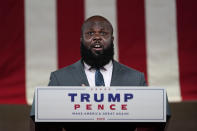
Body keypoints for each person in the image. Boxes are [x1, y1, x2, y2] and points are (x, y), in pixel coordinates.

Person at [30, 15, 170, 131]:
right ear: (81, 40)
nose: (97, 37)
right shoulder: (60, 78)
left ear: (112, 39)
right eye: (90, 33)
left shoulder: (135, 78)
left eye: (103, 33)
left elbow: (153, 118)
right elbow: (41, 118)